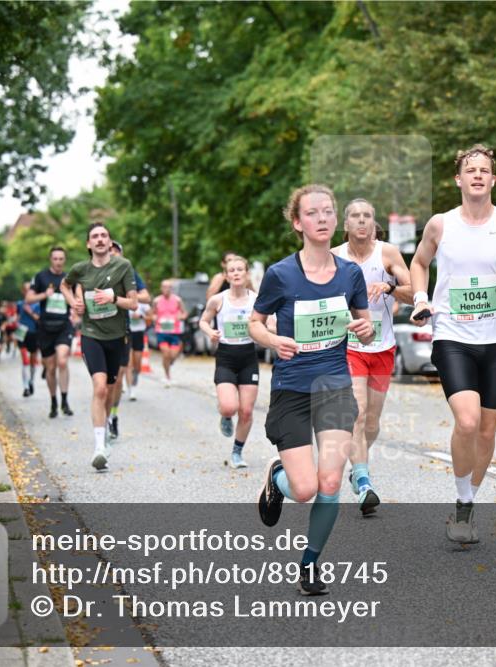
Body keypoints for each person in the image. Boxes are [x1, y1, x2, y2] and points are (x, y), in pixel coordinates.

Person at [409, 144, 496, 544]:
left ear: (493, 179)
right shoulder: (441, 224)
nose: (478, 175)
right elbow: (419, 263)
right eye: (471, 170)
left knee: (486, 430)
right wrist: (420, 298)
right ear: (459, 179)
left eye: (485, 170)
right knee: (466, 421)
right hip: (453, 335)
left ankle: (466, 503)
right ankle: (463, 501)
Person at [250, 184, 373, 596]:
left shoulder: (350, 274)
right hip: (292, 389)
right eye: (312, 213)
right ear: (297, 222)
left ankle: (310, 563)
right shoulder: (280, 275)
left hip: (334, 387)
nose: (322, 219)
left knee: (331, 482)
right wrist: (272, 340)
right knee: (304, 490)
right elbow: (255, 322)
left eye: (328, 212)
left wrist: (366, 328)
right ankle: (277, 476)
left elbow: (365, 325)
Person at [332, 198, 413, 515]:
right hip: (349, 345)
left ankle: (357, 463)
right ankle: (364, 482)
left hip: (382, 346)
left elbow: (413, 289)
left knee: (372, 423)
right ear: (346, 224)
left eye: (367, 216)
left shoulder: (388, 253)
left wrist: (390, 287)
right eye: (355, 216)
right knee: (357, 412)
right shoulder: (334, 257)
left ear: (373, 223)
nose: (361, 221)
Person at [60, 223, 138, 471]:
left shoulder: (123, 266)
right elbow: (65, 284)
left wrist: (113, 298)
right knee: (100, 388)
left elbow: (134, 304)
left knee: (111, 388)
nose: (100, 239)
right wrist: (74, 302)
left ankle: (104, 430)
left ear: (109, 241)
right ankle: (99, 447)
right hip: (91, 335)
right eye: (95, 236)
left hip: (117, 337)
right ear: (88, 244)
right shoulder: (79, 269)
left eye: (104, 235)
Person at [199, 255, 260, 469]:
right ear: (226, 275)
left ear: (246, 274)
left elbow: (268, 322)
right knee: (229, 407)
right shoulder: (218, 300)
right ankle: (225, 417)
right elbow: (203, 321)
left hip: (248, 357)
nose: (235, 273)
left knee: (246, 411)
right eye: (231, 270)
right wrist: (210, 332)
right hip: (225, 356)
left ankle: (237, 451)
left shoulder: (256, 300)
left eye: (239, 269)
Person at [107, 240, 151, 439]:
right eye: (110, 250)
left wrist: (126, 296)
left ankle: (113, 416)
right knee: (101, 384)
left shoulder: (129, 273)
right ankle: (102, 422)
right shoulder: (92, 271)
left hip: (122, 330)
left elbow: (146, 297)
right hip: (97, 331)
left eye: (116, 250)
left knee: (116, 381)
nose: (113, 253)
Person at [26, 247, 75, 418]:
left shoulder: (70, 279)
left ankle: (65, 400)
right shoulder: (41, 277)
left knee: (62, 361)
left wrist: (76, 313)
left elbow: (77, 300)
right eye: (55, 258)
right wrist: (44, 295)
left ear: (65, 260)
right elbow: (29, 299)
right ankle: (53, 402)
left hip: (63, 326)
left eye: (61, 259)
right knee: (50, 367)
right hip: (45, 328)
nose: (58, 262)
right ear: (50, 260)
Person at [152, 279, 186, 388]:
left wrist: (180, 317)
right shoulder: (156, 301)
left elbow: (185, 313)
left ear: (171, 289)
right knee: (166, 353)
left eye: (168, 287)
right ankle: (167, 376)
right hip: (161, 331)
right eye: (164, 287)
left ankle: (169, 364)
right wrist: (154, 318)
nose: (166, 289)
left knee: (172, 355)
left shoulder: (178, 300)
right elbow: (152, 314)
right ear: (161, 288)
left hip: (174, 332)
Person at [17, 283, 41, 397]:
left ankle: (31, 381)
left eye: (29, 290)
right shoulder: (19, 304)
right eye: (25, 290)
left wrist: (29, 312)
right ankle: (25, 387)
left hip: (33, 333)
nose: (27, 292)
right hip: (21, 332)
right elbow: (18, 318)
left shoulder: (37, 305)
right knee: (24, 360)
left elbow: (39, 319)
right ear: (23, 292)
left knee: (32, 360)